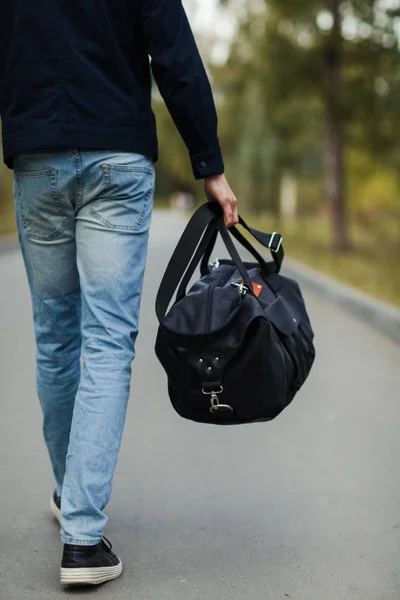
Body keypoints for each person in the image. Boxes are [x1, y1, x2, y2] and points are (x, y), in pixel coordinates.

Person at [0, 0, 238, 587]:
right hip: (116, 158)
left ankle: (71, 493)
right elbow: (176, 57)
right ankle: (82, 540)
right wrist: (209, 163)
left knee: (56, 339)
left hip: (38, 159)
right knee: (106, 341)